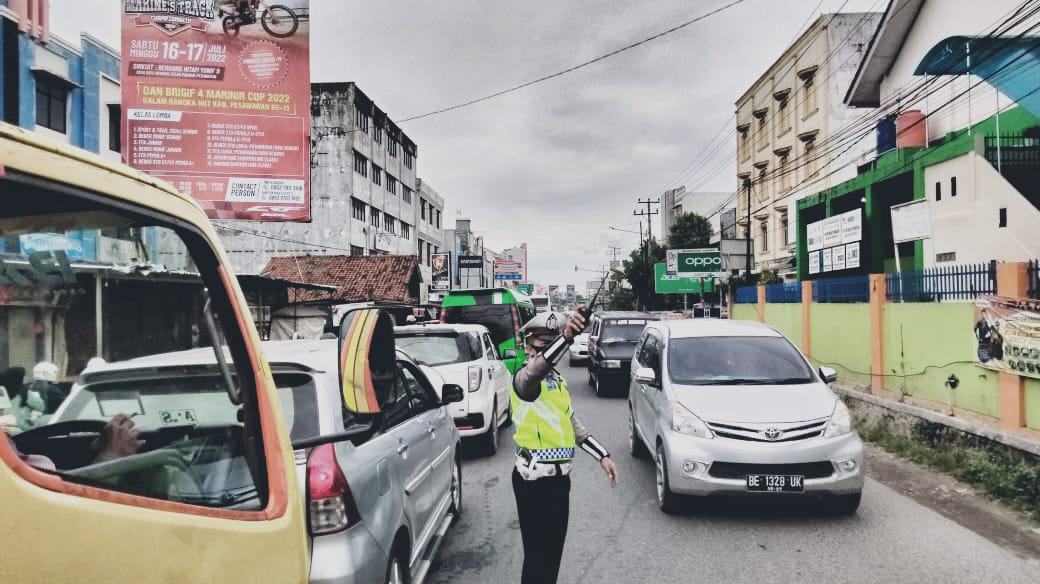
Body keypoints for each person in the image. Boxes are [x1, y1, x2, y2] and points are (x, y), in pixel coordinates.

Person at [510, 309, 619, 584]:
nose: (545, 353)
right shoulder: (524, 379)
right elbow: (538, 368)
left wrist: (602, 456)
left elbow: (572, 423)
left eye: (551, 344)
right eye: (540, 347)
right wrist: (567, 337)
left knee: (552, 558)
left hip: (559, 481)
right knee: (536, 558)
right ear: (527, 348)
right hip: (532, 481)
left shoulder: (557, 382)